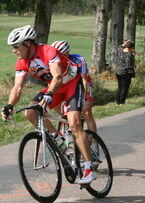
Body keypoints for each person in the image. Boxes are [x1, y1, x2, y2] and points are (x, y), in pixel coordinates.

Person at [1, 25, 94, 185]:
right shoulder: (22, 62)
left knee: (74, 123)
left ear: (28, 44)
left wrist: (49, 94)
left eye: (16, 46)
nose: (14, 50)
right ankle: (59, 140)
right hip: (55, 87)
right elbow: (18, 87)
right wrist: (9, 105)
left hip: (71, 83)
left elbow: (58, 76)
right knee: (30, 113)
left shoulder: (47, 51)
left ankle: (88, 168)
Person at [51, 40, 97, 133]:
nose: (58, 57)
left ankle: (94, 143)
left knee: (87, 111)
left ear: (67, 53)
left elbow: (84, 80)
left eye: (62, 54)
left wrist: (84, 97)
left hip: (83, 82)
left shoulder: (78, 59)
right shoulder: (53, 62)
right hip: (67, 85)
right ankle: (67, 120)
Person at [115, 40, 135, 105]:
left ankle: (117, 102)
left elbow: (119, 47)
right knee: (124, 88)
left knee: (120, 87)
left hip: (118, 72)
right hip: (125, 73)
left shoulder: (120, 51)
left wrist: (124, 43)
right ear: (131, 48)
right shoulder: (129, 55)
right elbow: (128, 65)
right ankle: (122, 102)